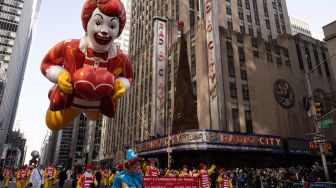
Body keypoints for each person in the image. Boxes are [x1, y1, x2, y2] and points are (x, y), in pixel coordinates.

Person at [41, 0, 133, 131]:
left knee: (94, 116)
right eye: (98, 23)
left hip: (98, 104)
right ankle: (59, 94)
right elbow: (47, 63)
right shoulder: (69, 46)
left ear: (118, 30)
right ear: (87, 23)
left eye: (112, 26)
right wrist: (60, 75)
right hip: (70, 99)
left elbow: (128, 76)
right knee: (53, 124)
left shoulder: (121, 57)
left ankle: (89, 109)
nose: (105, 31)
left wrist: (121, 84)